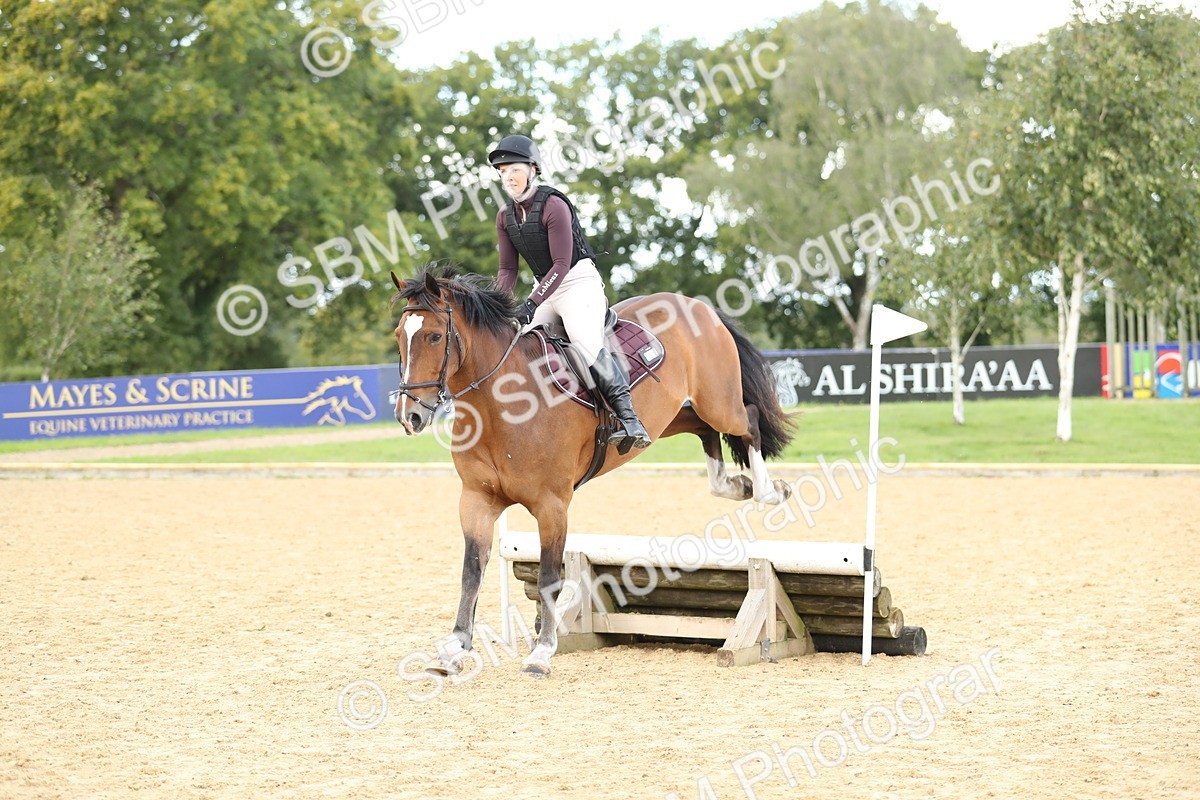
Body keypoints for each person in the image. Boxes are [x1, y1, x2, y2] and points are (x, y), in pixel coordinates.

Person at [488, 134, 651, 451]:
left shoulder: (554, 205)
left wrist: (533, 303)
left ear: (533, 169)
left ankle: (631, 420)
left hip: (577, 281)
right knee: (514, 342)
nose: (507, 175)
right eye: (502, 170)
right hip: (544, 287)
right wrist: (497, 308)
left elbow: (562, 263)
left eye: (513, 167)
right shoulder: (504, 216)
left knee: (585, 343)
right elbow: (507, 270)